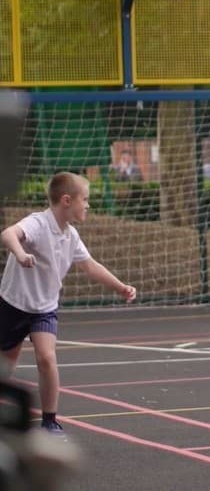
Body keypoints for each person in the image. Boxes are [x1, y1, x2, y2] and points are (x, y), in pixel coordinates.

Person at [0, 172, 137, 436]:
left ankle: (50, 422)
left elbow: (90, 266)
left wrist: (120, 287)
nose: (87, 205)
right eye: (84, 199)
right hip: (13, 304)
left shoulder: (70, 235)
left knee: (47, 358)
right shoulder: (38, 224)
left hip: (45, 308)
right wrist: (19, 253)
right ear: (66, 200)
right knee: (7, 364)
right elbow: (8, 234)